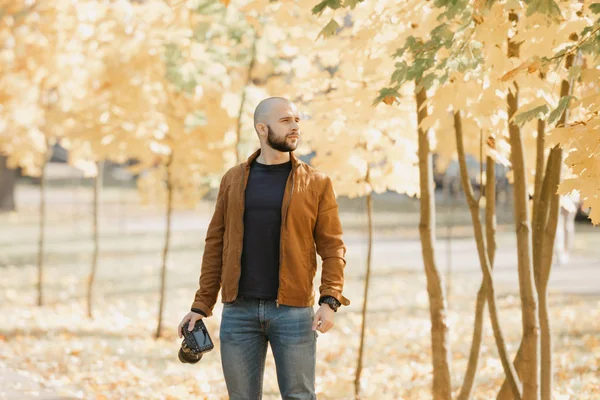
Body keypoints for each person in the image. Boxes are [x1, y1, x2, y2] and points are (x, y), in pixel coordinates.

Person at [178, 97, 350, 400]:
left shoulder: (317, 183)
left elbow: (333, 247)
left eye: (296, 120)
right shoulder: (233, 179)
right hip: (238, 311)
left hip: (294, 312)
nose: (295, 126)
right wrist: (200, 306)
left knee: (299, 396)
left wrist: (330, 299)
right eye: (285, 121)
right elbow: (215, 244)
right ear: (262, 128)